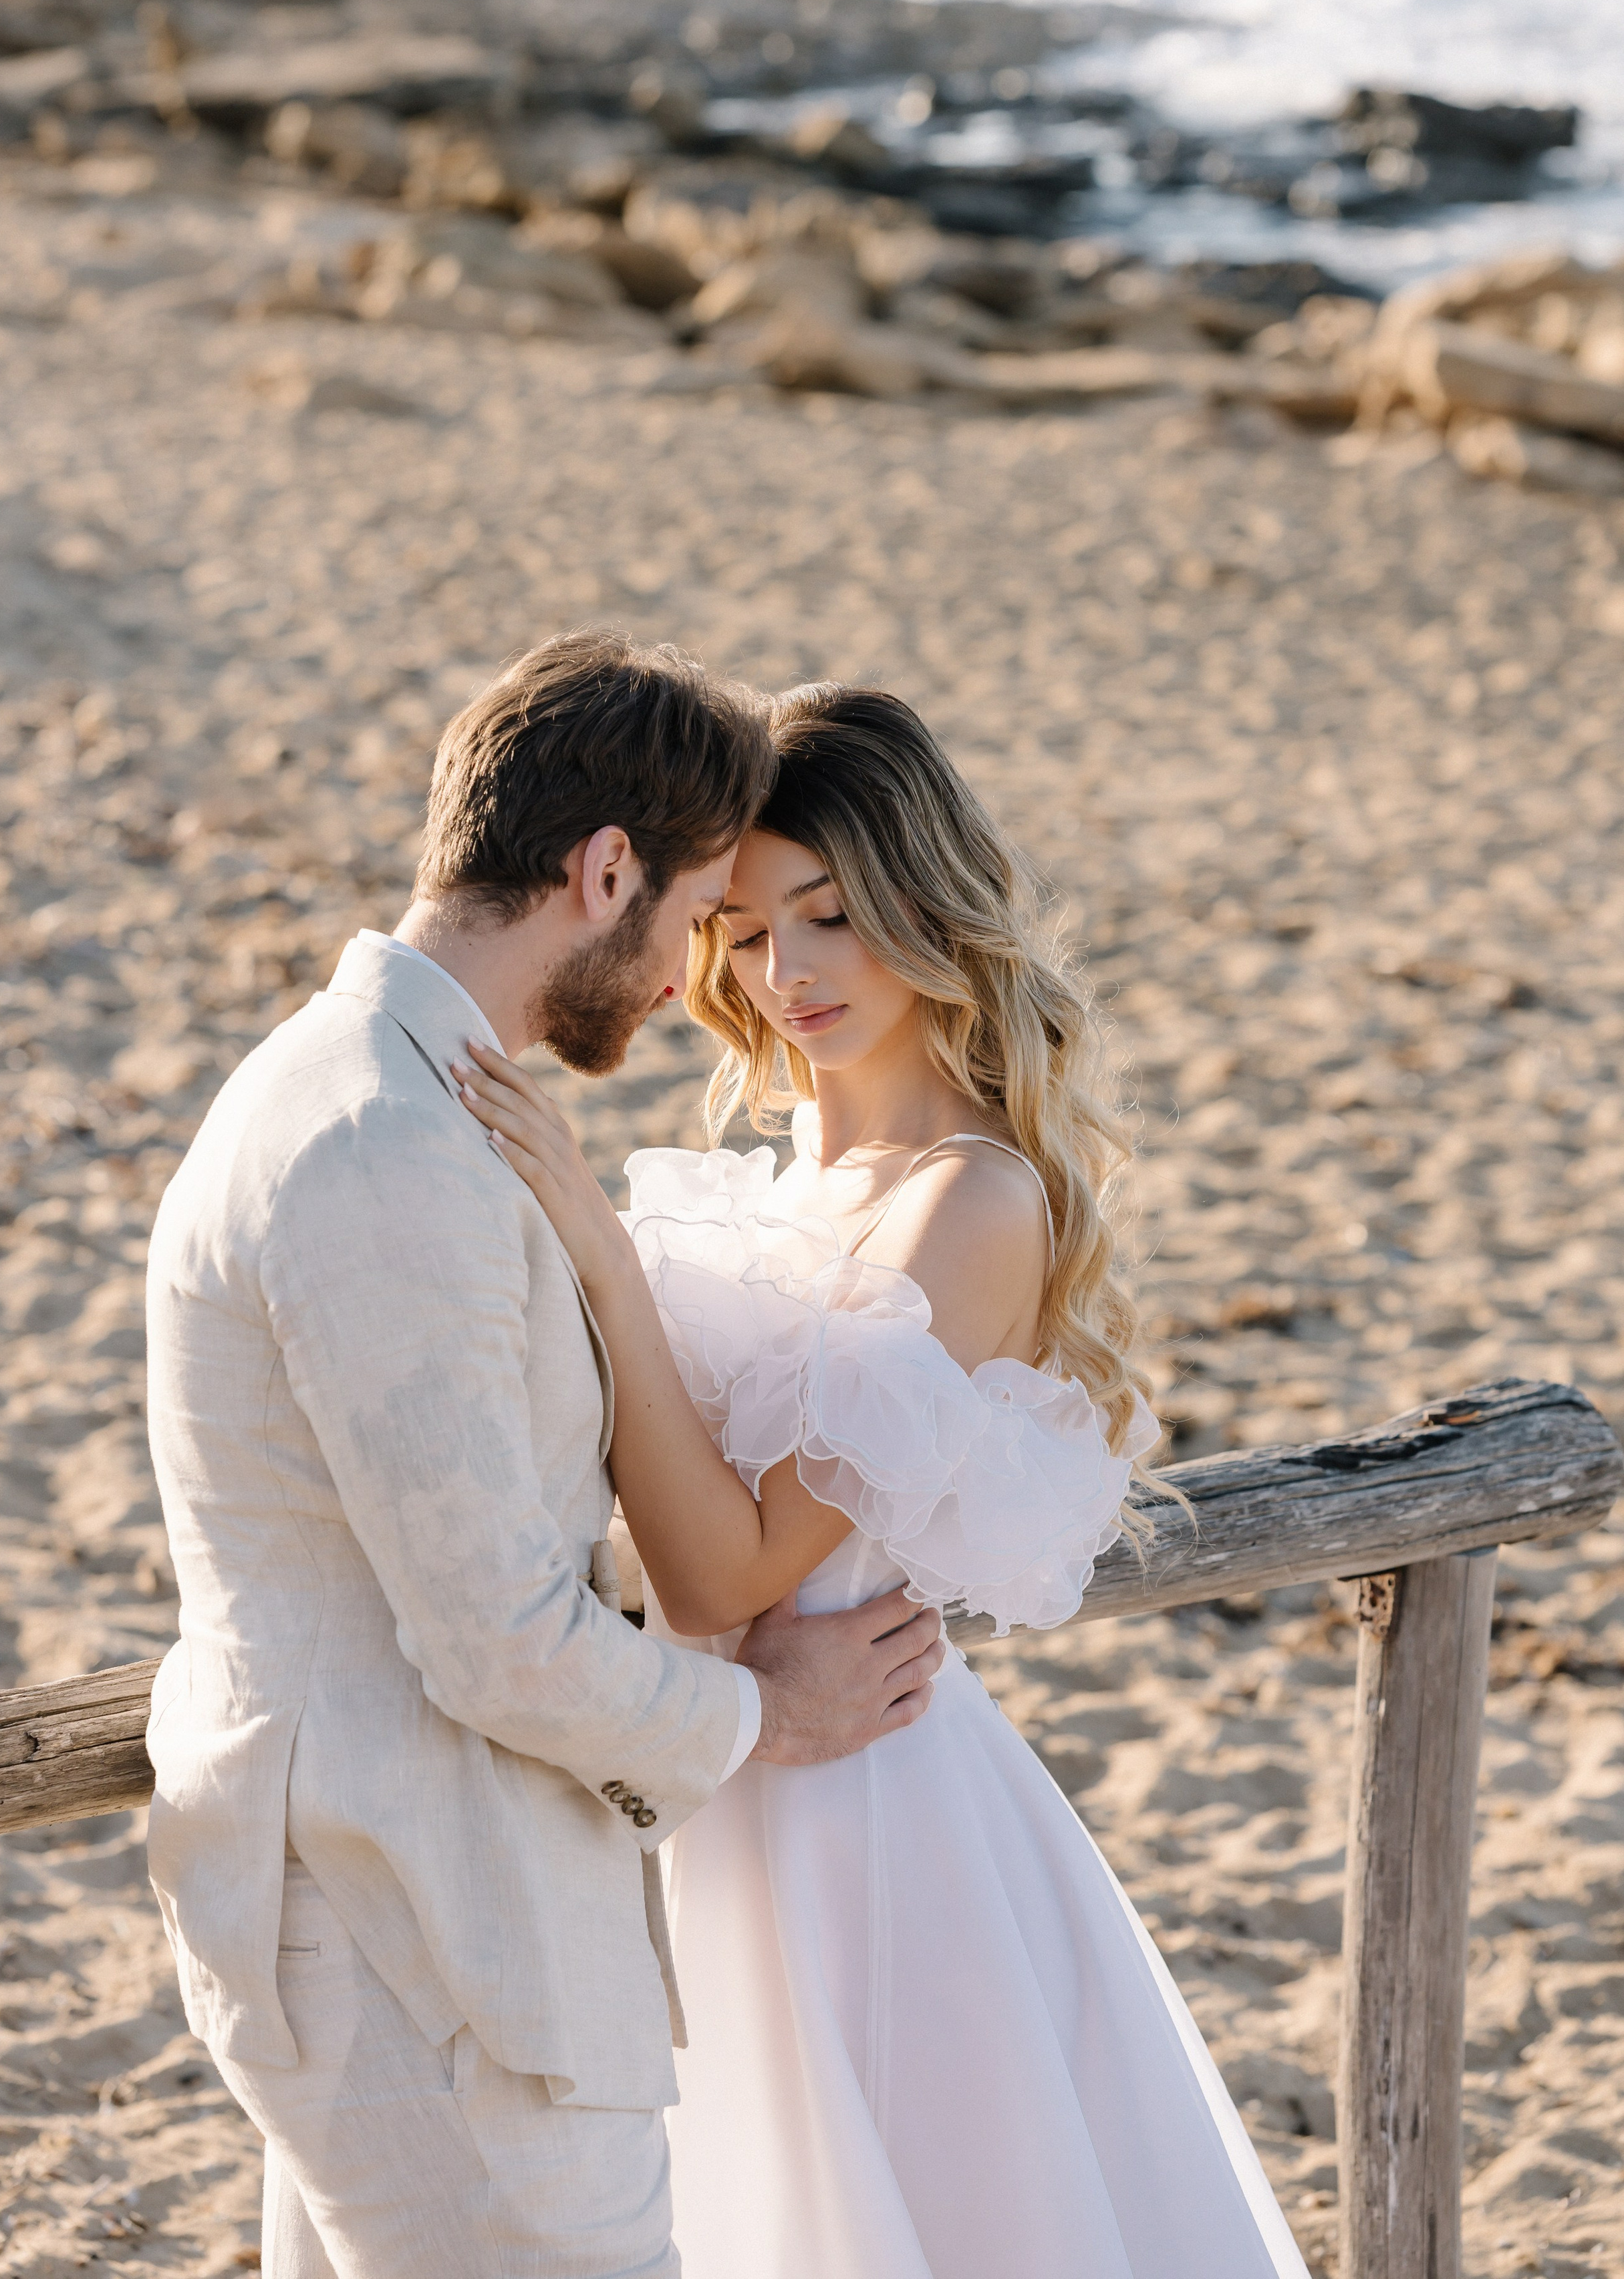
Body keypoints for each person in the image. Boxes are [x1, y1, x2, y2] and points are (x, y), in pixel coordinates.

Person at [452, 683, 1313, 2279]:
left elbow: (728, 1575)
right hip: (718, 1778)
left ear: (921, 906)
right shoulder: (799, 1187)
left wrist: (596, 1254)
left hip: (863, 1822)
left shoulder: (967, 1208)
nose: (788, 976)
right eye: (747, 929)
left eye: (832, 917)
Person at [143, 635, 945, 2279]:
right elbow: (498, 1636)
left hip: (425, 1933)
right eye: (689, 923)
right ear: (600, 871)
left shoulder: (402, 1092)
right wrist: (763, 1713)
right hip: (422, 1951)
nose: (690, 981)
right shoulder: (382, 1145)